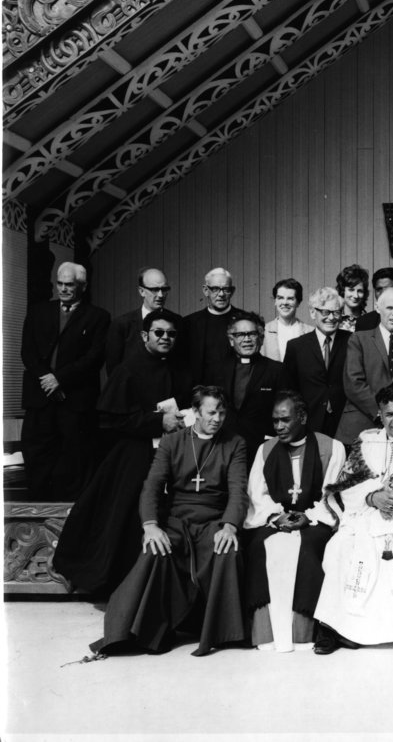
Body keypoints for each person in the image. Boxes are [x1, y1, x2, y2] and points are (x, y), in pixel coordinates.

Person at [91, 386, 249, 657]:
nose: (217, 419)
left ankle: (222, 633)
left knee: (227, 549)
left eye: (222, 413)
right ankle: (147, 633)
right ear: (195, 412)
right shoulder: (172, 441)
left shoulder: (235, 443)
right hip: (177, 520)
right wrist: (151, 526)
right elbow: (151, 486)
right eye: (211, 412)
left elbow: (238, 490)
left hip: (214, 520)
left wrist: (230, 525)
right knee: (155, 550)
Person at [52, 310, 191, 594]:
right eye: (159, 333)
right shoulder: (128, 370)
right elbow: (110, 420)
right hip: (134, 454)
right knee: (125, 517)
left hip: (173, 452)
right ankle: (121, 585)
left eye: (171, 334)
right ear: (144, 336)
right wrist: (156, 422)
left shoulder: (180, 368)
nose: (166, 338)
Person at [312, 385, 393, 653]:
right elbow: (347, 485)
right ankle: (334, 628)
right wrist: (373, 498)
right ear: (380, 415)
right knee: (340, 547)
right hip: (366, 513)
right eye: (389, 414)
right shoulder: (366, 441)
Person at [242, 392, 345, 652]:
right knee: (259, 548)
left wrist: (308, 517)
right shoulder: (265, 450)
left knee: (309, 548)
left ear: (302, 417)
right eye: (275, 421)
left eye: (285, 420)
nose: (278, 427)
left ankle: (304, 633)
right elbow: (257, 494)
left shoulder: (331, 448)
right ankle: (267, 635)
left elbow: (331, 496)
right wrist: (277, 516)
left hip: (315, 520)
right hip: (275, 520)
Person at [20, 261, 110, 499]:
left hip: (76, 402)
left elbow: (94, 357)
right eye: (59, 283)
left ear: (83, 286)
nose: (63, 289)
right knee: (37, 458)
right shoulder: (38, 311)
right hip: (40, 400)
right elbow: (27, 352)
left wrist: (59, 379)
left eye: (69, 284)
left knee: (74, 460)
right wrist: (47, 380)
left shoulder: (98, 317)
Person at [339, 286, 393, 445]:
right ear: (377, 308)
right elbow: (353, 383)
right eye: (389, 308)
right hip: (360, 426)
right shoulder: (359, 339)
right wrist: (381, 413)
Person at [204, 311, 284, 457]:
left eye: (252, 334)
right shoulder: (216, 370)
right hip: (222, 447)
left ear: (261, 338)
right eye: (240, 335)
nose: (246, 339)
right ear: (231, 340)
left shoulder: (277, 370)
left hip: (263, 448)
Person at [283, 287, 352, 438]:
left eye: (336, 312)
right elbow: (289, 390)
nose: (332, 318)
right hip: (309, 422)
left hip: (345, 422)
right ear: (313, 312)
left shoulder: (353, 341)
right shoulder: (296, 347)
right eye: (325, 312)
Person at [105, 267, 182, 373]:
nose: (160, 295)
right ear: (141, 291)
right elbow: (113, 370)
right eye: (154, 290)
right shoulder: (122, 324)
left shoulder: (178, 321)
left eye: (164, 289)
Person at [183, 267, 243, 383]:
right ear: (206, 290)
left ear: (232, 291)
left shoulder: (244, 320)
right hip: (199, 392)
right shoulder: (189, 323)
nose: (221, 294)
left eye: (226, 289)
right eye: (215, 289)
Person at [261, 278, 313, 362]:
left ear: (298, 303)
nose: (285, 303)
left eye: (290, 298)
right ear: (275, 301)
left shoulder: (310, 332)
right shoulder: (264, 331)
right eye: (280, 298)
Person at [336, 264, 369, 332]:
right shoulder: (334, 319)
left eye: (360, 291)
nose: (355, 296)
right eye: (351, 290)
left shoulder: (370, 321)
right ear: (342, 290)